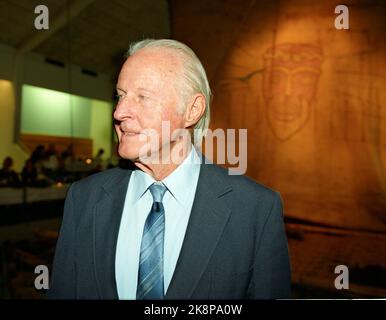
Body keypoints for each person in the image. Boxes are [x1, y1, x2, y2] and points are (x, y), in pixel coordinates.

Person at [47, 39, 291, 299]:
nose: (119, 112)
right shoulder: (84, 198)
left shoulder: (255, 210)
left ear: (192, 110)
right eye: (120, 96)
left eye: (142, 97)